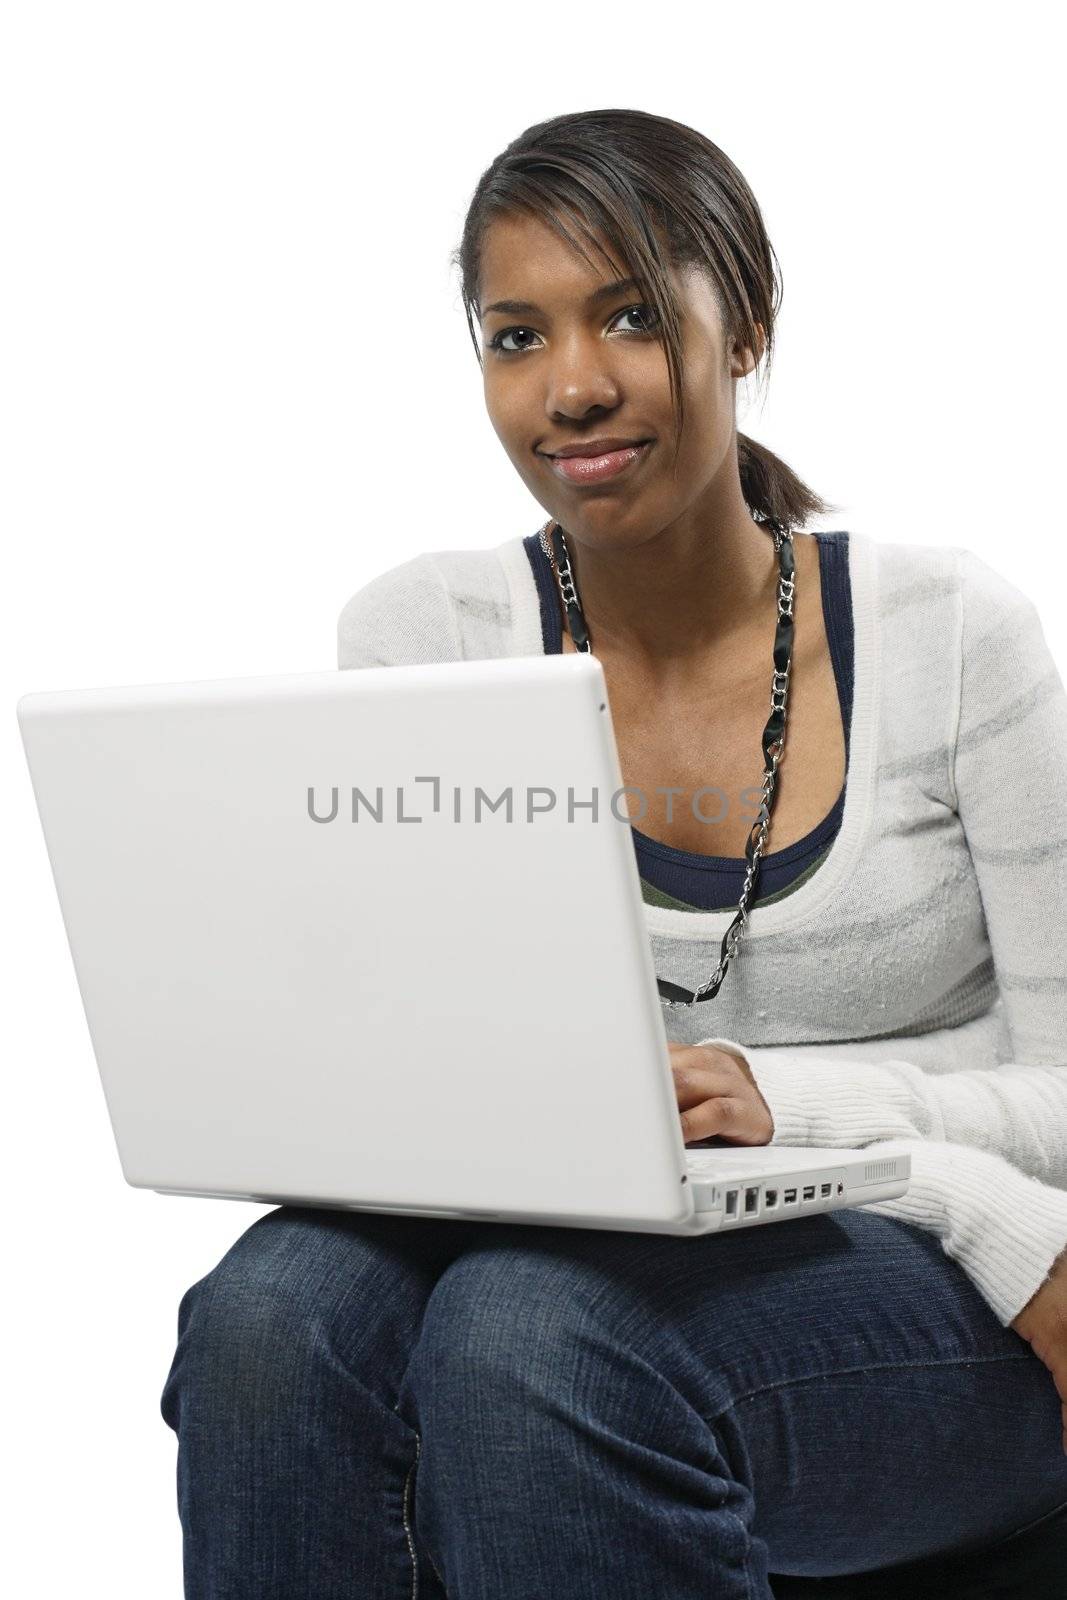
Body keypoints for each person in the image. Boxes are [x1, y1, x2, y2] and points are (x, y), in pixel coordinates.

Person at [159, 107, 1067, 1598]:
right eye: (516, 338)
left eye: (634, 317)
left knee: (532, 1338)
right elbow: (428, 1077)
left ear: (748, 321)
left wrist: (800, 1113)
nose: (572, 389)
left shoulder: (952, 635)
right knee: (274, 1323)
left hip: (949, 1282)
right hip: (588, 1245)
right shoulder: (423, 642)